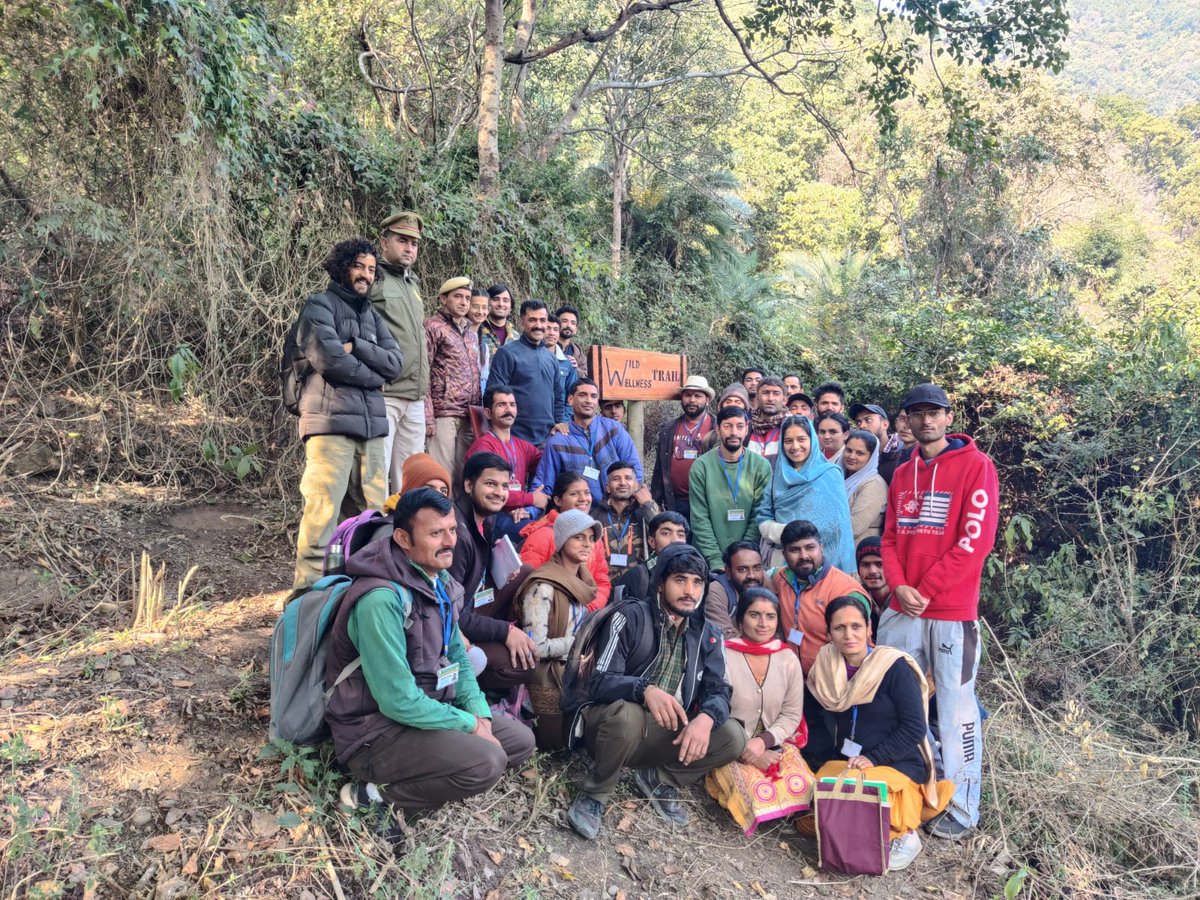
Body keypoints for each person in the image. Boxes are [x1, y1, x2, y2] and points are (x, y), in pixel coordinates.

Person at [327, 488, 536, 822]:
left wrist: (480, 715)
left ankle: (428, 775)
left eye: (452, 530)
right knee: (487, 762)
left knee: (520, 741)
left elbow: (459, 660)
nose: (449, 541)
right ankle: (371, 797)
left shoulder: (439, 584)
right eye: (435, 533)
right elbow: (397, 701)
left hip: (429, 710)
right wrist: (468, 725)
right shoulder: (380, 599)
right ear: (403, 539)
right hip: (374, 731)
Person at [879, 383, 999, 841]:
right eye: (917, 413)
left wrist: (924, 589)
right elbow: (889, 537)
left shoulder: (976, 467)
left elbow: (975, 541)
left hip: (950, 610)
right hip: (904, 606)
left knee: (955, 709)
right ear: (905, 420)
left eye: (936, 412)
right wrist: (899, 586)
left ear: (949, 417)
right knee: (898, 702)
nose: (926, 421)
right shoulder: (902, 472)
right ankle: (912, 791)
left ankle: (964, 807)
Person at [561, 543, 746, 839]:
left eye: (697, 582)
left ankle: (658, 780)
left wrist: (707, 718)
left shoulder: (708, 634)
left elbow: (720, 690)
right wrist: (644, 690)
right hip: (613, 729)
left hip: (665, 732)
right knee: (627, 716)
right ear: (661, 584)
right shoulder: (631, 616)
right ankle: (595, 795)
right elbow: (597, 681)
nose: (690, 590)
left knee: (733, 736)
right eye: (680, 580)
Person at [807, 596, 955, 871]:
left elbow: (914, 727)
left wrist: (874, 758)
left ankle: (905, 836)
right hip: (851, 760)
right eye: (839, 628)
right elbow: (815, 717)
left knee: (855, 786)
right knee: (823, 784)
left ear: (869, 629)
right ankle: (857, 835)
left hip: (897, 761)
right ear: (828, 633)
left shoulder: (893, 666)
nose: (848, 635)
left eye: (856, 626)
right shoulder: (826, 665)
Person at [292, 238, 403, 592]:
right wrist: (375, 378)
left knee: (372, 515)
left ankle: (361, 592)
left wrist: (358, 346)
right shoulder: (318, 307)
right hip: (330, 424)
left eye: (371, 269)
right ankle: (305, 597)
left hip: (370, 430)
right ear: (342, 266)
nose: (366, 275)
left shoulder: (372, 316)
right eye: (359, 266)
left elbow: (396, 364)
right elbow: (329, 361)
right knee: (322, 513)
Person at [705, 587, 814, 835]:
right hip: (729, 743)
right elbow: (714, 707)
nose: (763, 623)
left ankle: (790, 818)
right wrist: (748, 750)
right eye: (754, 615)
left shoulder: (787, 658)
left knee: (806, 785)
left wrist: (763, 743)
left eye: (770, 616)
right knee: (754, 793)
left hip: (774, 742)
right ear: (740, 618)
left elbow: (791, 715)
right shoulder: (723, 654)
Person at [449, 453, 540, 690]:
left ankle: (506, 635)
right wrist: (504, 631)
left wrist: (494, 559)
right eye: (490, 484)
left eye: (504, 485)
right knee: (527, 665)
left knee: (526, 572)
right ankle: (473, 687)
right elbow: (450, 615)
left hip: (470, 602)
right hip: (452, 629)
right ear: (469, 485)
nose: (499, 492)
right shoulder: (456, 537)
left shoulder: (486, 519)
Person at [513, 509, 600, 749]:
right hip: (546, 671)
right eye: (579, 537)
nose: (587, 544)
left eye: (591, 538)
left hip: (571, 662)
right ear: (562, 540)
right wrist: (576, 645)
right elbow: (536, 647)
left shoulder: (581, 582)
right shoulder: (543, 587)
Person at [370, 212, 429, 495]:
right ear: (384, 243)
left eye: (414, 243)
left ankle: (404, 534)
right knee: (377, 474)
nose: (409, 248)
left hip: (415, 396)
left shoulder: (412, 283)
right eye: (402, 241)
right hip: (385, 392)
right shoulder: (373, 277)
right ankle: (374, 535)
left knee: (411, 478)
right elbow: (357, 329)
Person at [756, 416, 855, 573]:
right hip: (782, 561)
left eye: (801, 439)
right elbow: (764, 513)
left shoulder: (830, 474)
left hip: (822, 561)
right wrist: (778, 531)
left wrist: (795, 534)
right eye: (788, 441)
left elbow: (836, 525)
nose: (795, 446)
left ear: (812, 440)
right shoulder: (777, 477)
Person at [771, 520, 868, 676]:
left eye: (810, 548)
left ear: (821, 548)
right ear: (784, 554)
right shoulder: (780, 577)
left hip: (837, 683)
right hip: (796, 680)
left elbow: (862, 647)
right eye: (795, 550)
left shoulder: (846, 590)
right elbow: (756, 574)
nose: (803, 556)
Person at [688, 406, 772, 571]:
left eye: (740, 426)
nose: (734, 432)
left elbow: (758, 515)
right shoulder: (701, 467)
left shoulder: (761, 466)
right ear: (718, 430)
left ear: (747, 429)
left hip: (747, 560)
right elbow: (700, 519)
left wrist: (742, 555)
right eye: (728, 426)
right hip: (708, 559)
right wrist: (716, 561)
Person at [533, 378, 643, 505]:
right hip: (582, 514)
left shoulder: (614, 429)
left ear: (597, 401)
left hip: (619, 509)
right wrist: (529, 510)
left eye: (593, 396)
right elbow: (544, 484)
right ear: (570, 399)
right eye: (582, 395)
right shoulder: (558, 441)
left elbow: (635, 470)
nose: (588, 400)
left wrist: (631, 504)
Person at [519, 471, 612, 610]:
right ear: (558, 501)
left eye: (587, 493)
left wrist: (588, 608)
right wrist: (567, 612)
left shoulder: (592, 534)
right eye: (574, 494)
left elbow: (601, 579)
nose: (583, 499)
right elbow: (528, 583)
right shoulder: (543, 535)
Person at [465, 385, 546, 540]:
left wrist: (560, 434)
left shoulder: (522, 446)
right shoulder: (483, 447)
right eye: (501, 405)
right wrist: (531, 499)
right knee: (539, 535)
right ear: (488, 413)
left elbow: (548, 464)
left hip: (519, 513)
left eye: (512, 405)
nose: (508, 409)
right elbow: (485, 493)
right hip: (493, 516)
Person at [424, 277, 483, 487]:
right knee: (441, 473)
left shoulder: (471, 332)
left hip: (469, 414)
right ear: (443, 299)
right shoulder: (433, 327)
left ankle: (460, 519)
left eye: (467, 298)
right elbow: (424, 371)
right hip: (444, 413)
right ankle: (439, 517)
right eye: (458, 297)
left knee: (463, 474)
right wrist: (428, 415)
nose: (463, 302)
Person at [485, 300, 564, 447]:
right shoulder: (507, 353)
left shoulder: (551, 358)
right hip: (515, 438)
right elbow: (493, 395)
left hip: (547, 439)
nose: (539, 325)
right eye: (532, 320)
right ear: (522, 323)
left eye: (543, 320)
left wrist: (558, 423)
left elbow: (559, 396)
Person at [650, 375, 716, 519]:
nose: (692, 400)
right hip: (675, 501)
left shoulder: (717, 428)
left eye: (698, 396)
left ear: (707, 400)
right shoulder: (668, 428)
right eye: (688, 395)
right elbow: (660, 467)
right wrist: (656, 499)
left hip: (707, 502)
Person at [592, 461, 660, 580]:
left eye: (628, 478)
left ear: (636, 485)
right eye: (616, 479)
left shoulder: (645, 511)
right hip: (603, 585)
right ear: (607, 487)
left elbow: (662, 533)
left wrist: (648, 504)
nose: (622, 483)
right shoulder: (595, 516)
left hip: (640, 585)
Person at [614, 511, 690, 602]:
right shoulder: (636, 578)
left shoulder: (694, 575)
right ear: (651, 541)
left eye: (681, 535)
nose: (675, 540)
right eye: (665, 533)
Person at [704, 541, 765, 640]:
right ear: (728, 571)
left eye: (757, 568)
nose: (752, 575)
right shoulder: (716, 591)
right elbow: (726, 636)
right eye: (742, 570)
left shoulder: (765, 583)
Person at [842, 429, 888, 546]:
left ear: (871, 457)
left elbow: (855, 526)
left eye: (860, 453)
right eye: (848, 450)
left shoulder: (873, 484)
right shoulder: (842, 478)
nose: (851, 456)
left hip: (859, 553)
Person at [850, 402, 904, 484]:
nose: (861, 426)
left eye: (868, 420)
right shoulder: (855, 457)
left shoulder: (903, 453)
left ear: (885, 425)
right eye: (858, 422)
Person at [383, 453, 451, 514]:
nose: (438, 495)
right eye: (429, 489)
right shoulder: (392, 526)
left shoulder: (449, 522)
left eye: (443, 491)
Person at [544, 314, 578, 422]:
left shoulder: (568, 363)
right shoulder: (531, 358)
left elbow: (572, 395)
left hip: (559, 421)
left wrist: (564, 421)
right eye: (547, 328)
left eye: (555, 329)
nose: (551, 333)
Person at [747, 376, 787, 463]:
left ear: (784, 400)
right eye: (765, 393)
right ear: (757, 397)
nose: (770, 399)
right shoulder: (746, 428)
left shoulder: (791, 427)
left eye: (776, 393)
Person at [855, 536, 891, 633]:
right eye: (865, 565)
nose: (872, 571)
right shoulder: (856, 599)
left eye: (879, 564)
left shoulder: (905, 600)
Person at [479, 284, 519, 362]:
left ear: (511, 307)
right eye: (495, 299)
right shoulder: (476, 331)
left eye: (505, 300)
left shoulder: (517, 338)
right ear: (487, 303)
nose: (501, 304)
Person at [467, 287, 492, 394]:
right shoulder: (456, 336)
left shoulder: (484, 344)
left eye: (484, 307)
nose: (480, 312)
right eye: (475, 307)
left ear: (489, 310)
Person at [555, 305, 588, 375]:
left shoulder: (578, 352)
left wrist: (575, 369)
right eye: (564, 321)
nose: (568, 325)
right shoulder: (546, 345)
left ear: (576, 329)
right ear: (556, 324)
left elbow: (585, 375)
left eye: (573, 323)